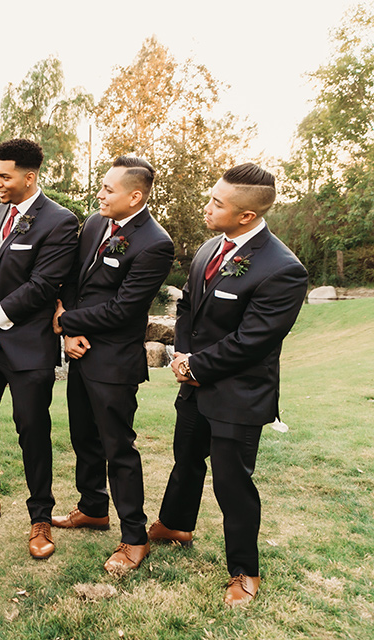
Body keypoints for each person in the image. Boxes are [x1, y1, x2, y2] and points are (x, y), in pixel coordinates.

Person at [152, 163, 308, 605]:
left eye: (217, 203)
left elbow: (252, 342)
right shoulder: (207, 249)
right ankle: (175, 524)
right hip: (195, 385)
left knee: (231, 483)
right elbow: (187, 309)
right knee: (186, 461)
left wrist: (196, 365)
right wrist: (182, 356)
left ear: (246, 216)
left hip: (239, 396)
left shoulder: (283, 270)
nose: (208, 207)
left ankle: (244, 570)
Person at [0, 138, 79, 559]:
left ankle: (40, 517)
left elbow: (43, 286)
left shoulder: (61, 222)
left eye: (5, 177)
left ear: (30, 177)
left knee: (32, 430)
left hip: (27, 349)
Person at [51, 156, 174, 573]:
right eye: (101, 187)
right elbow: (72, 279)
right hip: (80, 353)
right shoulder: (93, 223)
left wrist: (67, 321)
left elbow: (125, 309)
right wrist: (69, 333)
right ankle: (92, 508)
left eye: (108, 189)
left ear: (135, 196)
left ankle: (134, 538)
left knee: (118, 449)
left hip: (114, 363)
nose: (99, 194)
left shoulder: (155, 243)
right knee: (83, 438)